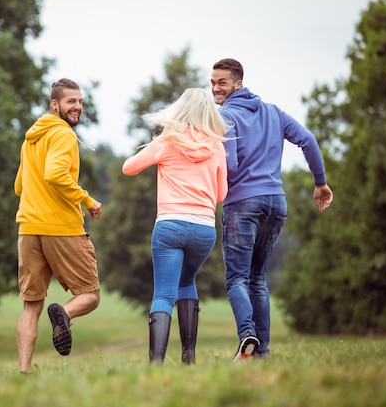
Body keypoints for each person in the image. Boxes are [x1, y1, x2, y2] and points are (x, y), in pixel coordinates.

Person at [210, 58, 334, 361]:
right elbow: (307, 139)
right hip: (276, 202)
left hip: (243, 203)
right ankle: (262, 351)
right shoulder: (273, 112)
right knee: (258, 279)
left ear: (238, 83)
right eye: (212, 82)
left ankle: (247, 335)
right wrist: (321, 183)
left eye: (222, 82)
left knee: (237, 278)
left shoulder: (225, 116)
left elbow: (231, 165)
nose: (215, 87)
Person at [122, 88, 228, 365]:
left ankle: (156, 362)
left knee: (164, 293)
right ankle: (188, 356)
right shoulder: (216, 146)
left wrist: (153, 147)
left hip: (170, 226)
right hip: (204, 229)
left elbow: (128, 168)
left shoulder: (168, 141)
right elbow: (220, 196)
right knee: (187, 281)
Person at [14, 78, 102, 373]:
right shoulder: (63, 134)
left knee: (31, 305)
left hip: (28, 227)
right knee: (90, 295)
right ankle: (63, 313)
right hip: (61, 226)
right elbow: (55, 174)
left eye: (80, 101)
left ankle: (24, 371)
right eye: (71, 102)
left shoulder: (31, 138)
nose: (77, 107)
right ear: (55, 105)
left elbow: (19, 186)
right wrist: (87, 200)